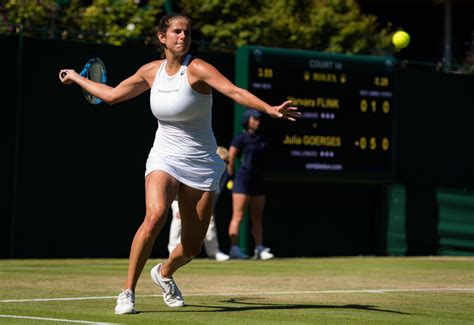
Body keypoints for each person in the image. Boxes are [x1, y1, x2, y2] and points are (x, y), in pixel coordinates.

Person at [58, 13, 299, 315]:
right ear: (162, 38)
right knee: (155, 215)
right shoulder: (150, 72)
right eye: (176, 32)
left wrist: (270, 109)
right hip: (164, 157)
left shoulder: (198, 69)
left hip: (202, 165)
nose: (182, 37)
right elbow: (113, 95)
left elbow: (234, 92)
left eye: (186, 32)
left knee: (192, 248)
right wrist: (77, 77)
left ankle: (164, 272)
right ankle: (127, 292)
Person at [167, 146, 230, 262]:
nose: (225, 164)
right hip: (178, 195)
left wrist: (209, 208)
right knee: (178, 217)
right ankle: (173, 249)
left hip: (199, 197)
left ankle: (214, 252)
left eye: (227, 161)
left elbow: (214, 194)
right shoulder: (199, 166)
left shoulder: (223, 174)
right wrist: (180, 205)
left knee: (209, 220)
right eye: (223, 161)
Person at [227, 109, 274, 260]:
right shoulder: (240, 138)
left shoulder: (262, 138)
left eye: (259, 119)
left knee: (257, 216)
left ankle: (259, 249)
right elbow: (231, 157)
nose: (257, 121)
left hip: (258, 180)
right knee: (238, 215)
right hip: (242, 179)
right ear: (247, 120)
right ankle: (234, 249)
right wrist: (231, 177)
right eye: (255, 119)